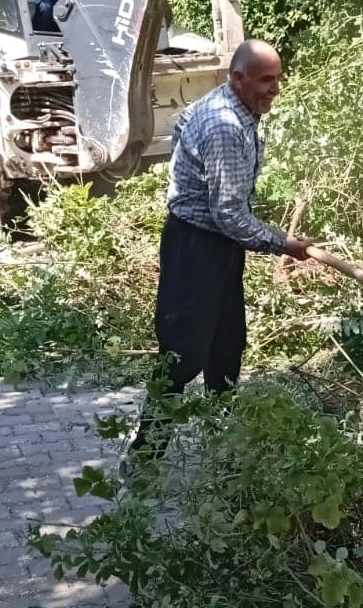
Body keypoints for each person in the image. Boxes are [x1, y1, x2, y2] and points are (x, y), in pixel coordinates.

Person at [129, 38, 310, 458]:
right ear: (238, 78)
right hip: (195, 247)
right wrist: (282, 242)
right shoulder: (225, 124)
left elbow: (181, 124)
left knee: (227, 347)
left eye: (277, 80)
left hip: (219, 243)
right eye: (266, 80)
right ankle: (144, 459)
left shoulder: (234, 106)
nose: (274, 89)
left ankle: (223, 448)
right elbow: (228, 213)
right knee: (183, 355)